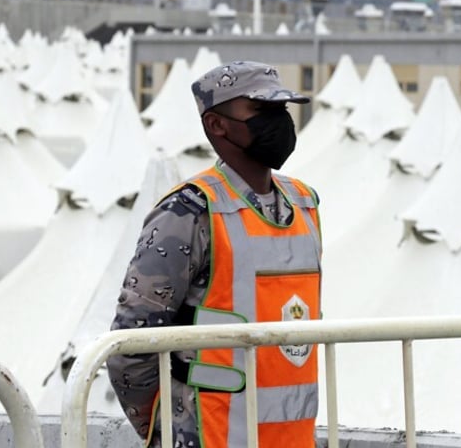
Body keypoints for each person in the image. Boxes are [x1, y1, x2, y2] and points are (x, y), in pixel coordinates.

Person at [108, 61, 323, 448]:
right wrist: (168, 427)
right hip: (208, 436)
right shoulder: (188, 212)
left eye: (282, 110)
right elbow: (131, 345)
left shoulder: (305, 205)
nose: (279, 122)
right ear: (216, 124)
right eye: (261, 111)